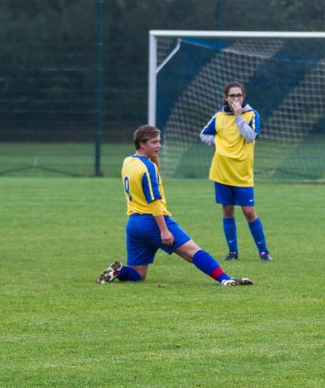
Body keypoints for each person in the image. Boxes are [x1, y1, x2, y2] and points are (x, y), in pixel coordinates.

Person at [98, 125, 252, 287]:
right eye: (154, 142)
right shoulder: (148, 168)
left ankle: (119, 271)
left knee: (139, 274)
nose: (159, 145)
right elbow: (154, 202)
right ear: (142, 144)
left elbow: (152, 171)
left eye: (159, 141)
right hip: (152, 221)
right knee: (192, 252)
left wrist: (154, 158)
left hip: (134, 224)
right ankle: (225, 279)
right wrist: (164, 230)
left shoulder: (128, 161)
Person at [200, 82, 271, 262]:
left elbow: (250, 136)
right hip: (222, 171)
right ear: (225, 98)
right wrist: (217, 142)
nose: (236, 98)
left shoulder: (251, 114)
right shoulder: (219, 117)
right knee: (228, 210)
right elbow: (203, 134)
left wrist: (239, 117)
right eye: (232, 95)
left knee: (248, 211)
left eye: (239, 95)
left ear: (243, 97)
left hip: (242, 173)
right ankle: (233, 252)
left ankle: (263, 252)